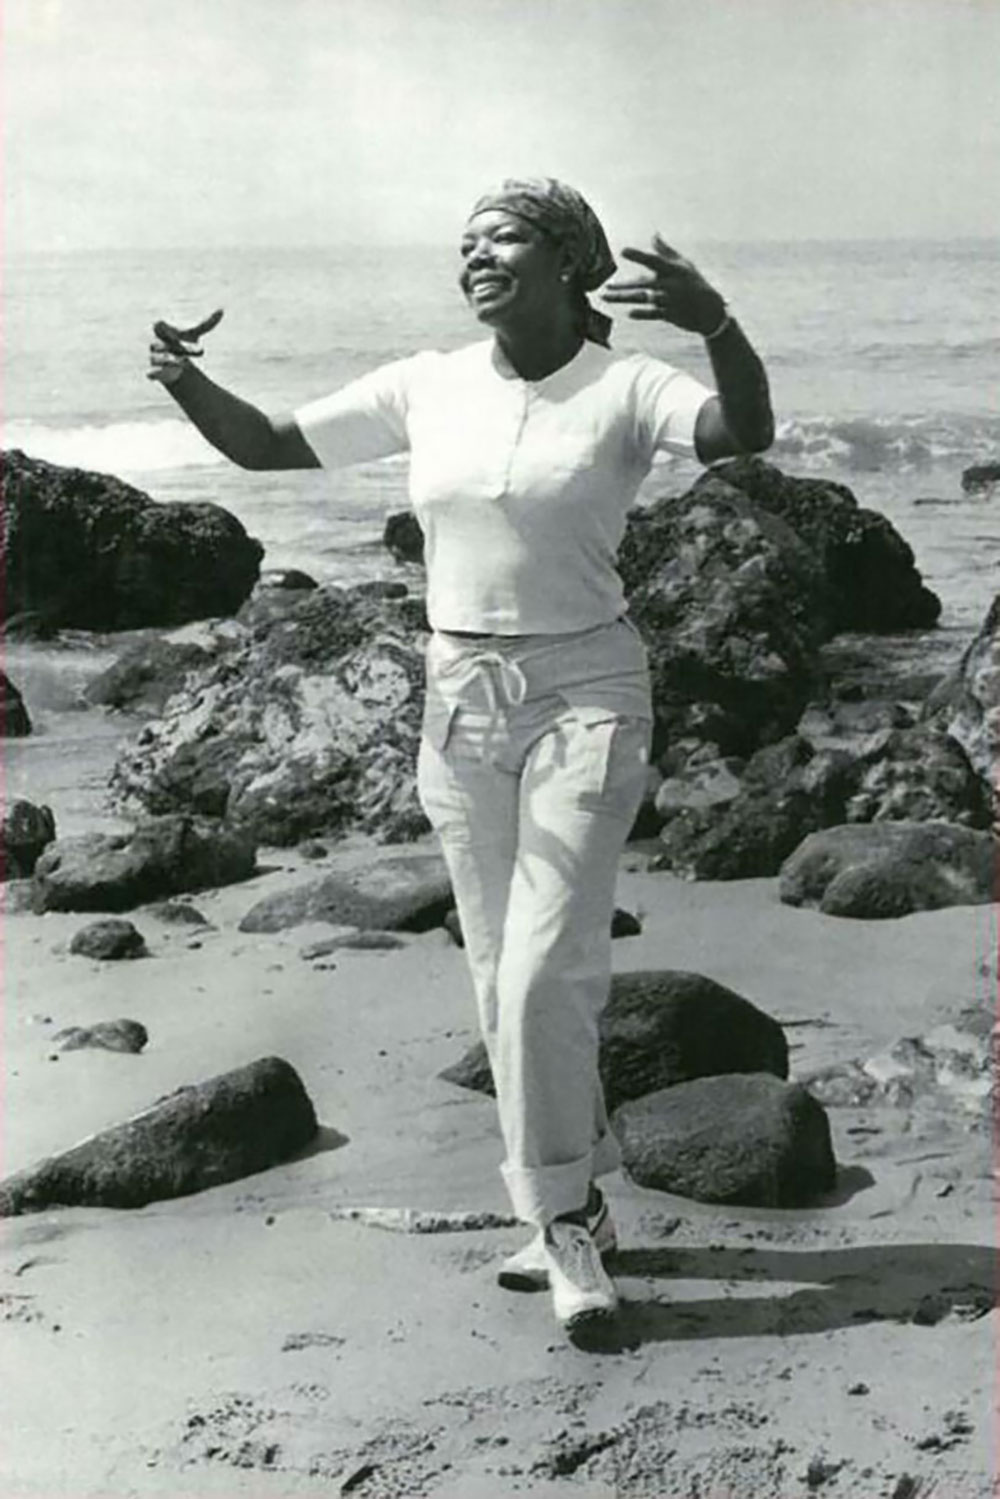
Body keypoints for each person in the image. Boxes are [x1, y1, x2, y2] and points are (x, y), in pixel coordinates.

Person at [149, 177, 774, 1347]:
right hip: (459, 698)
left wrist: (719, 326)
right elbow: (268, 446)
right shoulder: (426, 382)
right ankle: (572, 1188)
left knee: (543, 967)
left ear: (568, 260)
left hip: (587, 689)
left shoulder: (626, 385)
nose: (475, 256)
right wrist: (182, 378)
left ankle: (564, 1223)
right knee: (498, 971)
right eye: (465, 244)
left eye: (503, 237)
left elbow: (744, 434)